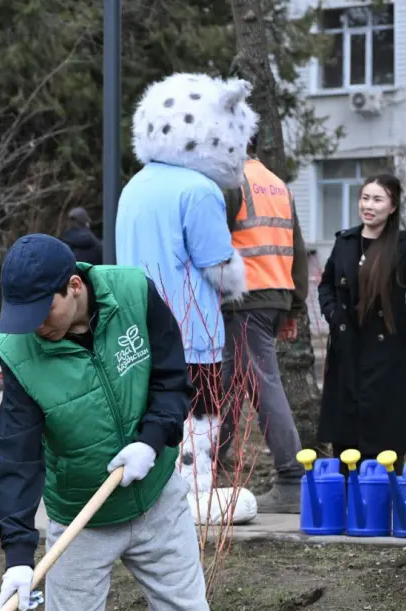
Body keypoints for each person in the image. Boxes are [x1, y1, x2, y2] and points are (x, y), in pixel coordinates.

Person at [0, 233, 266, 611]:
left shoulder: (135, 294)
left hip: (157, 499)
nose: (34, 328)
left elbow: (172, 379)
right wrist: (17, 554)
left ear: (74, 287)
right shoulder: (20, 351)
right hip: (79, 519)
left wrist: (151, 440)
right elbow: (14, 455)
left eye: (43, 314)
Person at [116, 72, 255, 492]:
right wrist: (236, 281)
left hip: (138, 322)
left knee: (150, 412)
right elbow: (217, 264)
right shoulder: (200, 190)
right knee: (200, 413)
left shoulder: (134, 186)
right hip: (191, 327)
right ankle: (194, 487)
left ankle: (156, 487)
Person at [219, 150, 309, 513]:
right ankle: (204, 469)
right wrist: (294, 306)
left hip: (244, 298)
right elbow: (297, 248)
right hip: (272, 296)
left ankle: (292, 480)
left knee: (261, 383)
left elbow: (208, 242)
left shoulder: (230, 181)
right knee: (226, 384)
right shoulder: (276, 184)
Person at [318, 174, 406, 467]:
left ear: (393, 206)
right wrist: (334, 317)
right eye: (365, 198)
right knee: (347, 426)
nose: (368, 206)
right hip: (347, 347)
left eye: (377, 199)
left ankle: (384, 493)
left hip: (387, 350)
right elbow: (326, 286)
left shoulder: (402, 245)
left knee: (383, 426)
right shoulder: (345, 241)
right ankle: (349, 493)